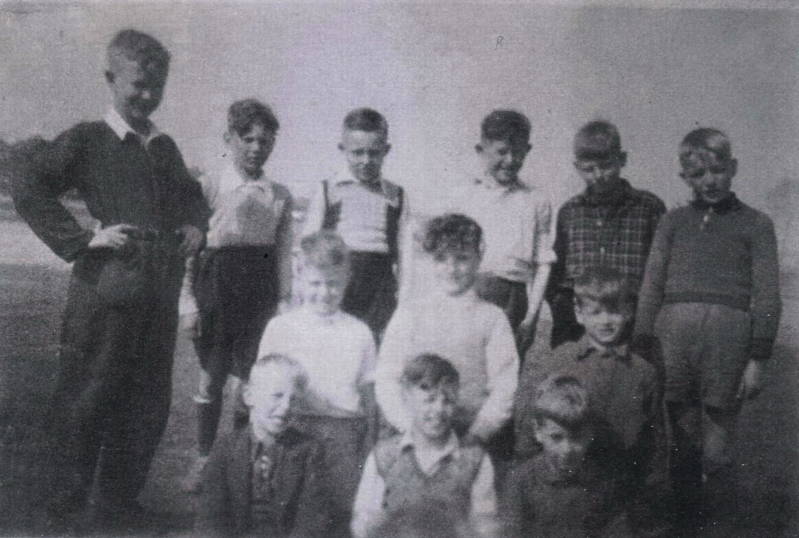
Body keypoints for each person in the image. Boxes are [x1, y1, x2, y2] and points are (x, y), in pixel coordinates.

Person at [11, 29, 206, 532]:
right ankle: (65, 508)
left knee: (145, 403)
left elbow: (191, 198)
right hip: (105, 292)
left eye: (157, 86)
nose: (148, 95)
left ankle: (118, 504)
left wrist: (194, 226)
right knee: (87, 396)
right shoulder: (89, 139)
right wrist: (81, 240)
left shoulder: (164, 147)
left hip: (157, 295)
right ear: (111, 78)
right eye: (138, 84)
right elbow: (27, 180)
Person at [634, 128, 781, 532]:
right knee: (682, 443)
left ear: (733, 168)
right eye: (698, 175)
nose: (709, 181)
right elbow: (651, 285)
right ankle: (686, 526)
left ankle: (718, 525)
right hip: (673, 342)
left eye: (717, 170)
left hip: (727, 343)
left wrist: (758, 359)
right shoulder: (672, 222)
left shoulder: (756, 224)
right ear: (684, 177)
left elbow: (768, 294)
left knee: (717, 451)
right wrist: (643, 342)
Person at [180, 98, 294, 492]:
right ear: (229, 138)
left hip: (259, 293)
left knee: (249, 381)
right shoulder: (209, 185)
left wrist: (284, 300)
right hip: (216, 287)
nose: (256, 148)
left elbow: (283, 254)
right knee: (211, 379)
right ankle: (203, 459)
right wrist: (187, 303)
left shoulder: (279, 195)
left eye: (265, 140)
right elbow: (190, 249)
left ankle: (242, 462)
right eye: (248, 139)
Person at [516, 266, 666, 533]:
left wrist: (652, 497)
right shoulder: (561, 359)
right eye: (596, 312)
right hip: (566, 486)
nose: (605, 321)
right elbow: (532, 422)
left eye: (614, 311)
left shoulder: (643, 372)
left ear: (629, 312)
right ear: (579, 313)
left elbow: (653, 443)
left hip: (618, 492)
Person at [376, 214, 518, 477]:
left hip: (471, 436)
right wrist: (409, 429)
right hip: (415, 434)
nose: (451, 269)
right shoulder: (410, 313)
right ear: (430, 260)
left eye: (462, 258)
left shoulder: (492, 318)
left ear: (478, 258)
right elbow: (387, 377)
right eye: (441, 259)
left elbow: (504, 386)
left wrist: (477, 435)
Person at [257, 230, 377, 535]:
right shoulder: (281, 327)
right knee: (287, 507)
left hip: (343, 435)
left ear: (347, 280)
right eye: (315, 283)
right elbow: (262, 385)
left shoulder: (359, 332)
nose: (324, 292)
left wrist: (368, 445)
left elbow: (368, 394)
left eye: (333, 283)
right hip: (293, 428)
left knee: (339, 512)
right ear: (299, 279)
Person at [546, 120, 665, 348]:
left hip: (631, 322)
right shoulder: (570, 211)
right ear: (577, 167)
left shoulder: (649, 207)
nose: (598, 175)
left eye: (606, 166)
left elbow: (660, 270)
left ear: (622, 159)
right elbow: (556, 273)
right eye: (589, 169)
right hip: (578, 325)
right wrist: (564, 311)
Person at [353, 354, 498, 538]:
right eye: (429, 400)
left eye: (447, 401)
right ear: (407, 399)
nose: (438, 409)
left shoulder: (473, 459)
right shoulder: (385, 456)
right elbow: (365, 523)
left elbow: (485, 527)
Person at [196, 354, 330, 537]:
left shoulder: (309, 450)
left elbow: (311, 520)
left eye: (293, 399)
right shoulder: (226, 447)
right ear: (249, 396)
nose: (285, 407)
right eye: (277, 396)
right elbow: (211, 517)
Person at [454, 109, 555, 353]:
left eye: (518, 152)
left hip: (514, 299)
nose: (510, 160)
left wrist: (531, 318)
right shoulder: (466, 196)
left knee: (505, 368)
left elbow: (543, 264)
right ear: (481, 150)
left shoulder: (535, 201)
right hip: (470, 292)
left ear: (527, 150)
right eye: (502, 151)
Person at [302, 107, 407, 338]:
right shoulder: (329, 190)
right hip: (338, 279)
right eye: (358, 153)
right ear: (343, 149)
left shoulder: (395, 195)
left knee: (374, 343)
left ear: (386, 150)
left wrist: (404, 297)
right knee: (335, 340)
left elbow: (405, 252)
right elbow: (308, 245)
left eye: (374, 153)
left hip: (380, 286)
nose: (366, 160)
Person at [502, 375, 632, 537]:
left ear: (591, 433)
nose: (567, 449)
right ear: (538, 432)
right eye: (556, 437)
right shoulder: (521, 482)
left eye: (577, 438)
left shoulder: (603, 481)